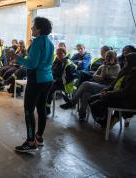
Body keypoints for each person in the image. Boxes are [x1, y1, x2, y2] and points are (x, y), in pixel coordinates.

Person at [14, 17, 54, 153]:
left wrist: (17, 58)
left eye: (33, 26)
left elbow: (32, 64)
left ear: (39, 29)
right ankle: (39, 137)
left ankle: (31, 142)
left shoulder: (37, 42)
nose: (31, 29)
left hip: (36, 80)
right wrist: (26, 54)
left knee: (28, 110)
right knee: (41, 109)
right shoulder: (49, 42)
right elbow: (39, 59)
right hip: (47, 79)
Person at [61, 50, 121, 121]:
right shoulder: (102, 66)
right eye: (107, 56)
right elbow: (95, 76)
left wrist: (105, 74)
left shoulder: (116, 67)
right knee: (85, 94)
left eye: (110, 56)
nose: (108, 58)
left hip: (107, 87)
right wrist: (102, 76)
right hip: (99, 85)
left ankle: (72, 102)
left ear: (114, 58)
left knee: (86, 83)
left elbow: (114, 79)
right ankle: (82, 114)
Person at [89, 53, 136, 128]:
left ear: (132, 62)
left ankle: (106, 121)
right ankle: (104, 120)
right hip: (116, 94)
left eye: (126, 61)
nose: (124, 62)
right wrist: (106, 90)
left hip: (126, 100)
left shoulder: (134, 75)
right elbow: (113, 84)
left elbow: (126, 92)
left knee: (98, 103)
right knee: (91, 99)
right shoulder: (124, 70)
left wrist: (108, 94)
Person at [46, 47, 77, 115]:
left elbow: (68, 79)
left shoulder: (69, 64)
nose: (58, 55)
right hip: (56, 81)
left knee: (50, 87)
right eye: (57, 54)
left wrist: (56, 80)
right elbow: (52, 71)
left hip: (66, 85)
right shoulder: (57, 61)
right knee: (44, 84)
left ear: (65, 54)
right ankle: (43, 105)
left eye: (60, 53)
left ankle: (47, 109)